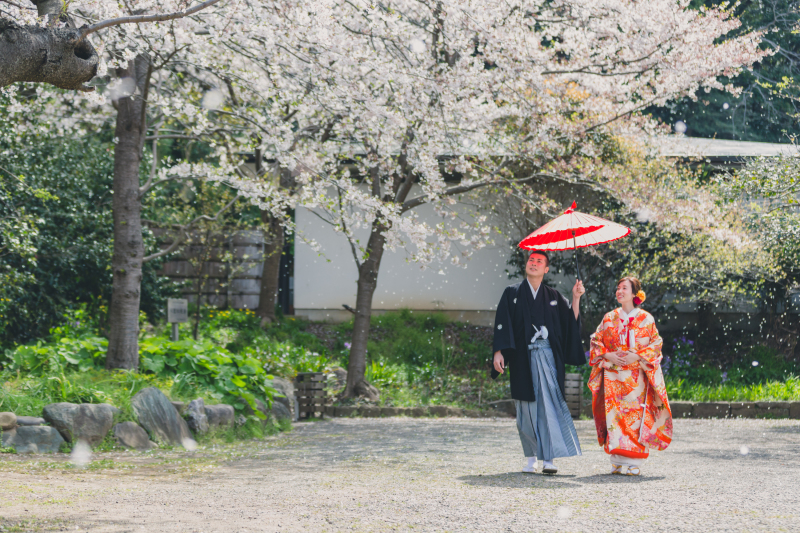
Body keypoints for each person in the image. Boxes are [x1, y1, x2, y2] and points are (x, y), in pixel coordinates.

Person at [492, 250, 586, 474]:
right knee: (525, 407)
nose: (533, 263)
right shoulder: (512, 293)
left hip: (548, 358)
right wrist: (498, 351)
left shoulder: (553, 296)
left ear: (546, 269)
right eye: (531, 260)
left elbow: (569, 326)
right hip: (522, 358)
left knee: (549, 405)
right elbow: (502, 323)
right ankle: (531, 457)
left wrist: (575, 298)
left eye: (539, 261)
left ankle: (549, 457)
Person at [588, 276, 673, 476]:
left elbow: (655, 344)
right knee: (614, 418)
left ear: (635, 293)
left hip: (637, 376)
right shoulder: (609, 318)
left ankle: (635, 461)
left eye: (624, 288)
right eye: (618, 288)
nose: (619, 291)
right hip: (613, 376)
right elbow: (596, 340)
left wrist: (636, 355)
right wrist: (608, 354)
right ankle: (616, 460)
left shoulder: (646, 318)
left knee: (635, 417)